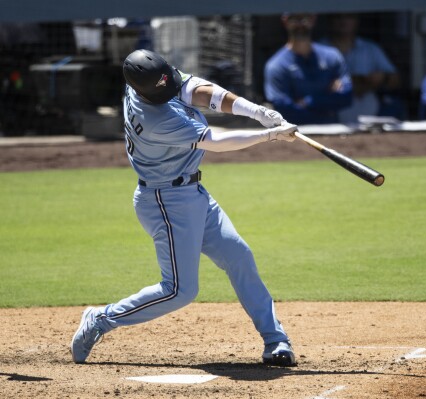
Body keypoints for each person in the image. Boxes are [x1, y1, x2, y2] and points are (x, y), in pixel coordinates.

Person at [70, 49, 298, 367]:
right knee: (179, 290)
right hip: (166, 202)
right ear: (143, 90)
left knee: (238, 256)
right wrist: (270, 134)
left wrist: (256, 111)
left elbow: (201, 91)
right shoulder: (155, 120)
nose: (172, 87)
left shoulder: (147, 79)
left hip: (192, 193)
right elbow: (216, 141)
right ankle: (101, 319)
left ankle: (275, 340)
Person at [264, 13, 353, 125]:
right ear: (285, 21)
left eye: (305, 19)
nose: (301, 24)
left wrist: (307, 102)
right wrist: (328, 102)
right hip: (295, 133)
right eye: (295, 19)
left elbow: (346, 97)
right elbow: (284, 109)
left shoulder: (332, 56)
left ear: (313, 20)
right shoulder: (276, 65)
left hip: (332, 130)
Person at [322, 13, 404, 123]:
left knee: (393, 104)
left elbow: (395, 80)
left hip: (369, 103)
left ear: (357, 21)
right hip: (331, 107)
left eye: (348, 16)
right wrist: (356, 82)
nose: (343, 21)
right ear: (329, 20)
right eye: (338, 17)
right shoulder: (320, 48)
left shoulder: (370, 48)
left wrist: (383, 78)